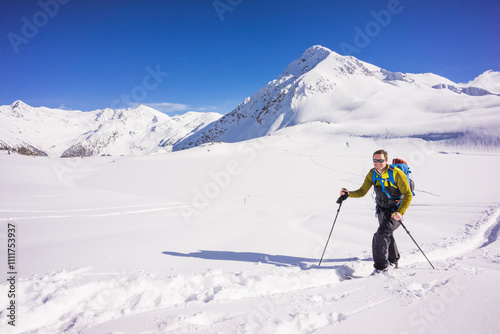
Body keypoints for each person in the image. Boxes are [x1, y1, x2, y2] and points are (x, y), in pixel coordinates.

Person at [340, 149, 413, 273]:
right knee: (386, 234)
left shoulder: (396, 173)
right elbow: (362, 191)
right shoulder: (372, 173)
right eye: (375, 160)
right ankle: (393, 260)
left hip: (395, 210)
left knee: (380, 235)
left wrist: (400, 212)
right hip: (381, 209)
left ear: (386, 160)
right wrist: (349, 194)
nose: (377, 163)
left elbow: (408, 194)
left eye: (380, 160)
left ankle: (381, 267)